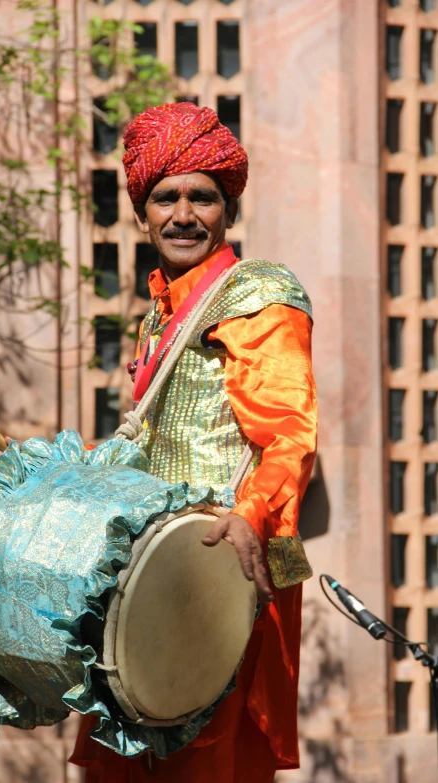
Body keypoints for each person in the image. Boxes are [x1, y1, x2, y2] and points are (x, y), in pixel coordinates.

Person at [68, 102, 318, 782]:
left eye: (201, 197)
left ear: (227, 208)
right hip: (155, 572)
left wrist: (251, 517)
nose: (183, 214)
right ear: (143, 213)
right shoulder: (160, 314)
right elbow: (150, 443)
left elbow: (290, 433)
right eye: (165, 197)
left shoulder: (258, 294)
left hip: (228, 566)